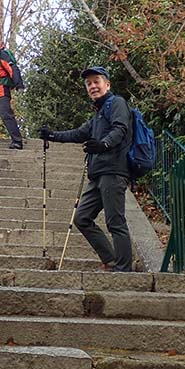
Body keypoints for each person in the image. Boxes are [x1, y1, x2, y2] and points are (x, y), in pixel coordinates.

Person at [38, 66, 134, 272]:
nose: (92, 86)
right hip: (97, 174)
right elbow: (78, 133)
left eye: (96, 81)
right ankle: (111, 259)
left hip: (113, 171)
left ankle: (124, 270)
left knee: (115, 221)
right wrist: (52, 135)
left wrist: (103, 144)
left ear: (107, 84)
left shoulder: (116, 103)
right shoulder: (98, 115)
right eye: (89, 83)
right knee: (82, 217)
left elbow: (120, 129)